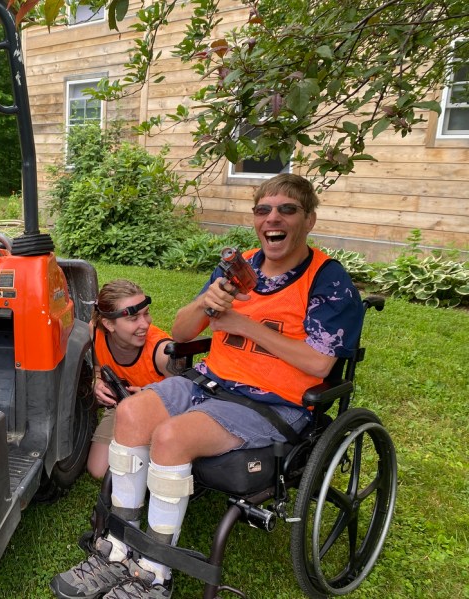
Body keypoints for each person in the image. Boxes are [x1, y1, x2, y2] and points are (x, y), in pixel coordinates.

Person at [50, 173, 364, 599]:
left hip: (271, 402)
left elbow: (320, 361)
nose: (273, 218)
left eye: (287, 209)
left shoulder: (327, 280)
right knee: (130, 412)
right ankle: (117, 550)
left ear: (308, 219)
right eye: (263, 210)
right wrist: (207, 300)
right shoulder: (242, 266)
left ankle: (154, 574)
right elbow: (181, 333)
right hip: (210, 383)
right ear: (255, 219)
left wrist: (242, 324)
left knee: (172, 436)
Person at [88, 280, 179, 479]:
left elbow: (187, 394)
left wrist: (153, 396)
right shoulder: (94, 333)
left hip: (163, 416)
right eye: (133, 318)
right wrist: (96, 382)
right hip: (121, 410)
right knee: (98, 469)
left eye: (146, 313)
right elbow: (95, 367)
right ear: (108, 324)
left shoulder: (162, 352)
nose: (145, 324)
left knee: (149, 470)